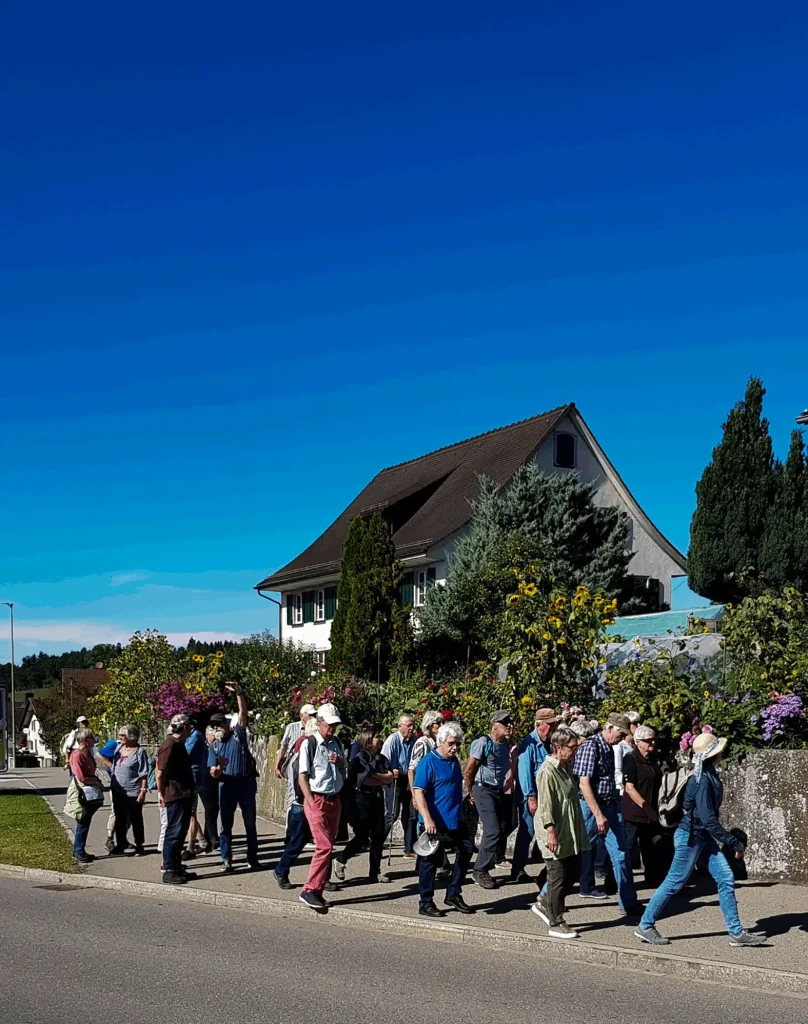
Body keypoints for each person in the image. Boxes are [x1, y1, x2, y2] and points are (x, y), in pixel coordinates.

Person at [636, 732, 767, 948]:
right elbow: (707, 819)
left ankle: (736, 933)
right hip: (691, 837)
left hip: (699, 836)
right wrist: (734, 842)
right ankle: (645, 925)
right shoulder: (704, 779)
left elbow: (699, 813)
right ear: (714, 754)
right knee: (674, 882)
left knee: (725, 878)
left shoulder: (706, 773)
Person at [574, 713, 638, 913]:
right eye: (621, 733)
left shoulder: (610, 748)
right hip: (592, 808)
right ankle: (546, 896)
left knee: (621, 854)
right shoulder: (590, 746)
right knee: (573, 853)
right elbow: (584, 784)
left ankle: (628, 903)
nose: (622, 738)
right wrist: (598, 814)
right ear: (610, 728)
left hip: (611, 806)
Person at [531, 727, 591, 939]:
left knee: (575, 869)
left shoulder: (565, 766)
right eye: (572, 748)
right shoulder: (547, 771)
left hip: (569, 829)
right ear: (558, 747)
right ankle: (556, 921)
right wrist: (551, 832)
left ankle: (545, 902)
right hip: (553, 830)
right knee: (557, 875)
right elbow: (545, 805)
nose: (575, 752)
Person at [412, 721, 475, 918]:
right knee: (429, 862)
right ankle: (425, 901)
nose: (455, 747)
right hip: (434, 822)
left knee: (466, 850)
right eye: (451, 743)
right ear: (440, 741)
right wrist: (427, 819)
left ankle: (454, 893)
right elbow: (418, 791)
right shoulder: (429, 762)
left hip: (455, 820)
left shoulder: (454, 761)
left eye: (458, 744)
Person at [297, 703, 346, 911]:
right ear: (319, 723)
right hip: (316, 799)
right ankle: (309, 889)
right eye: (329, 724)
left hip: (334, 799)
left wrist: (340, 763)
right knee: (324, 846)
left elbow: (345, 771)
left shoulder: (337, 744)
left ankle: (317, 891)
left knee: (329, 845)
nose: (332, 728)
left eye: (335, 724)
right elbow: (302, 777)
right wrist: (310, 801)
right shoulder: (310, 743)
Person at [333, 725, 396, 884]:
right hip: (362, 799)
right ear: (368, 739)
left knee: (378, 836)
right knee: (362, 836)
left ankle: (374, 872)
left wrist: (377, 776)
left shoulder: (381, 758)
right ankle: (341, 858)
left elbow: (390, 777)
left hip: (377, 798)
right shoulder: (360, 758)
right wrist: (381, 777)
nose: (379, 739)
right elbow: (364, 779)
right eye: (376, 736)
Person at [208, 683, 259, 872]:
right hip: (227, 785)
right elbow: (212, 773)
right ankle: (226, 859)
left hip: (245, 783)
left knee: (250, 824)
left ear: (226, 725)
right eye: (213, 726)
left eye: (218, 725)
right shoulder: (214, 746)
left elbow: (243, 713)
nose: (216, 728)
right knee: (225, 825)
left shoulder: (237, 735)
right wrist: (218, 768)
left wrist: (239, 693)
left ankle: (252, 858)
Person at [464, 709, 514, 890]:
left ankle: (487, 864)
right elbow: (469, 770)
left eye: (510, 722)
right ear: (494, 725)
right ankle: (479, 870)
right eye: (505, 723)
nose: (509, 726)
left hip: (496, 791)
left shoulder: (505, 744)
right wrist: (471, 792)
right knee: (492, 830)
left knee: (501, 827)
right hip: (482, 788)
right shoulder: (484, 742)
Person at [511, 708, 560, 883]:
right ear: (540, 725)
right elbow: (524, 774)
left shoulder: (548, 742)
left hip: (545, 795)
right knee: (528, 831)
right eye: (551, 724)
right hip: (531, 796)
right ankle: (517, 869)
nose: (554, 727)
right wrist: (531, 798)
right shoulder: (529, 744)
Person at [273, 718, 320, 889]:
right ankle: (281, 870)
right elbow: (300, 782)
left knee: (323, 843)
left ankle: (322, 879)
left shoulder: (302, 750)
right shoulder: (302, 754)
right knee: (297, 842)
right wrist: (310, 801)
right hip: (301, 805)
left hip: (305, 804)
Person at [621, 725, 668, 886]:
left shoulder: (652, 760)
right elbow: (629, 787)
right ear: (638, 742)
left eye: (653, 739)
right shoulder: (630, 758)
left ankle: (653, 878)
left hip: (651, 811)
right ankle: (617, 881)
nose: (652, 743)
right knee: (627, 846)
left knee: (651, 845)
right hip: (634, 812)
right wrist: (645, 806)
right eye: (648, 740)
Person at [156, 713, 196, 885]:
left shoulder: (179, 745)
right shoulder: (169, 745)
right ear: (184, 727)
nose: (191, 729)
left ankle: (176, 866)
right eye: (189, 726)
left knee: (180, 832)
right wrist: (161, 793)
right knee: (174, 832)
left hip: (183, 793)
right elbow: (160, 772)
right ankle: (169, 869)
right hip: (174, 794)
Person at [109, 724, 149, 857]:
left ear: (131, 736)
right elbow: (114, 765)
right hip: (118, 790)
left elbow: (143, 773)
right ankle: (120, 843)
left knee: (136, 819)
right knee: (119, 819)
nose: (120, 738)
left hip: (133, 791)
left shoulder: (139, 752)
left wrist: (143, 790)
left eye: (123, 735)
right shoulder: (119, 748)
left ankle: (139, 845)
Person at [381, 714, 417, 857]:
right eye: (408, 725)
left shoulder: (415, 740)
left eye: (412, 725)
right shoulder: (392, 740)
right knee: (392, 814)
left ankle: (409, 848)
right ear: (400, 726)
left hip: (408, 778)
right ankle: (377, 843)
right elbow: (383, 761)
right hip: (394, 778)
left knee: (411, 814)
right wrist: (390, 770)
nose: (411, 728)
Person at [68, 727, 105, 864]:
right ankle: (78, 851)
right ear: (84, 740)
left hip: (91, 789)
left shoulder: (88, 754)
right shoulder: (77, 755)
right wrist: (95, 782)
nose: (94, 739)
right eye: (91, 737)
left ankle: (79, 850)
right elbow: (81, 777)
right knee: (82, 821)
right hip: (83, 791)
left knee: (85, 821)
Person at [184, 717, 210, 858]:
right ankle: (202, 841)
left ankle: (191, 847)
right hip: (191, 774)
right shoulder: (193, 735)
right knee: (189, 813)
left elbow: (183, 753)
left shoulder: (194, 736)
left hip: (193, 776)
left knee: (191, 813)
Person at [274, 703, 317, 778]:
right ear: (301, 716)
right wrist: (276, 766)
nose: (313, 717)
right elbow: (283, 747)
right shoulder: (291, 727)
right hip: (293, 764)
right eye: (310, 715)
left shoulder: (317, 728)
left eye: (314, 715)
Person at [196, 724, 220, 853]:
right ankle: (213, 837)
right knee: (210, 809)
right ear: (207, 735)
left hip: (216, 781)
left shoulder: (218, 747)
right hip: (204, 782)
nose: (215, 738)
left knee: (214, 809)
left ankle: (208, 838)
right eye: (213, 735)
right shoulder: (202, 747)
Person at [614, 711, 641, 795]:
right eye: (635, 723)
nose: (638, 726)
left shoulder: (636, 745)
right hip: (623, 790)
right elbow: (617, 769)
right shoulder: (619, 746)